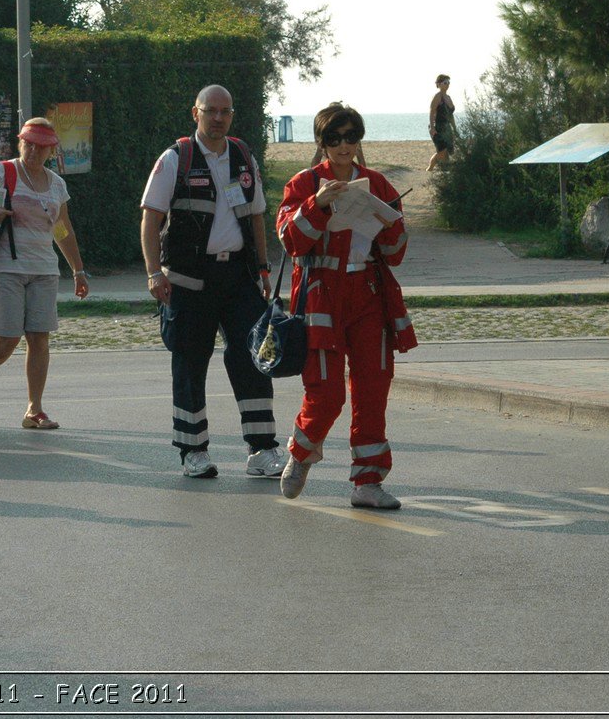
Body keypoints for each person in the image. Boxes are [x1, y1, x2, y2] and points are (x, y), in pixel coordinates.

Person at [139, 85, 287, 480]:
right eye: (210, 111)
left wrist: (262, 268)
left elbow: (256, 216)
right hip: (187, 280)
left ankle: (262, 450)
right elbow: (150, 219)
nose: (218, 118)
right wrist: (154, 272)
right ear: (196, 113)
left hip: (238, 278)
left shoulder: (242, 156)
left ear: (232, 115)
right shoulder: (176, 159)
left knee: (254, 357)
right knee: (189, 361)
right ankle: (193, 451)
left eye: (225, 111)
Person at [276, 103, 416, 510]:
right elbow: (289, 240)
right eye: (334, 138)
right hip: (321, 295)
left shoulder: (377, 184)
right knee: (327, 393)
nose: (343, 146)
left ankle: (367, 482)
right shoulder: (303, 183)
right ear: (321, 142)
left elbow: (394, 254)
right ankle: (301, 455)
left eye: (351, 137)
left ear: (359, 140)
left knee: (374, 387)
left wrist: (391, 223)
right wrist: (316, 206)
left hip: (368, 293)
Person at [0, 117, 90, 429]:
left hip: (44, 269)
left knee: (39, 338)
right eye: (28, 143)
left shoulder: (57, 185)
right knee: (6, 338)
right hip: (4, 267)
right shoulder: (2, 171)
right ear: (20, 143)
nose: (33, 150)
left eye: (40, 146)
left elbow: (61, 228)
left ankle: (34, 409)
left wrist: (78, 270)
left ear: (50, 149)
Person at [427, 74, 455, 172]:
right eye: (445, 82)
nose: (447, 85)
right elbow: (432, 111)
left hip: (447, 127)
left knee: (447, 151)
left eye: (448, 82)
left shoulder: (449, 98)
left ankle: (444, 170)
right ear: (439, 84)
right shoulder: (437, 97)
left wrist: (454, 128)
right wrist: (432, 128)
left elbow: (451, 115)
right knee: (442, 151)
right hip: (438, 127)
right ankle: (430, 169)